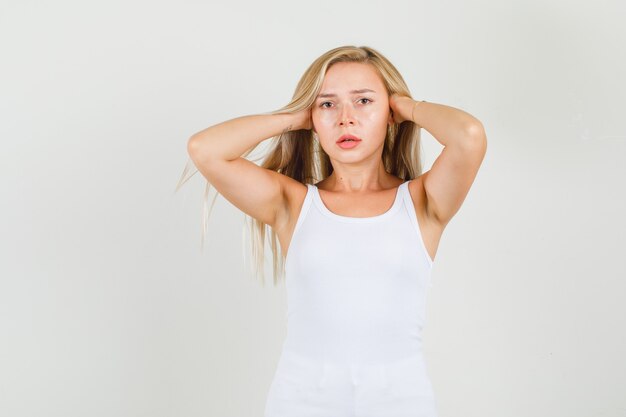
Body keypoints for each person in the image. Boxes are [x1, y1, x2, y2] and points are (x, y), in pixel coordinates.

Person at [184, 45, 487, 417]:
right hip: (300, 401)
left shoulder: (422, 203)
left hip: (400, 402)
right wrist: (296, 116)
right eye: (328, 105)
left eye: (363, 101)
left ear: (389, 111)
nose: (346, 118)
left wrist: (405, 108)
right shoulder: (292, 205)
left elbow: (469, 135)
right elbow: (205, 149)